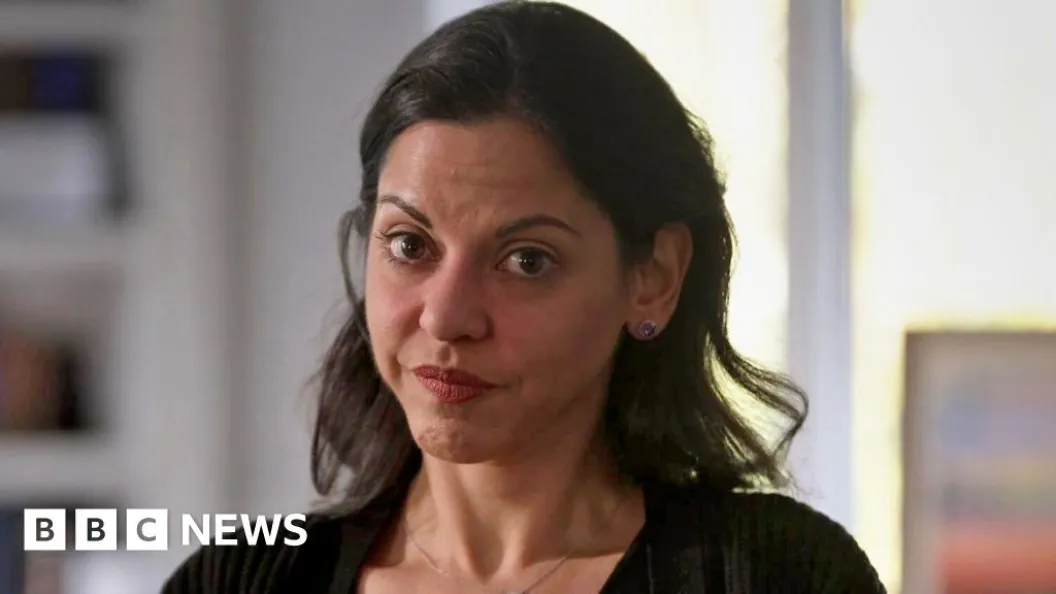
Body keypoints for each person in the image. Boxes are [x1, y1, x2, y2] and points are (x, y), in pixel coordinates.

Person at [162, 1, 884, 592]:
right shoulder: (239, 581)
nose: (446, 316)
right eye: (410, 245)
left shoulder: (777, 578)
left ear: (654, 277)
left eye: (526, 260)